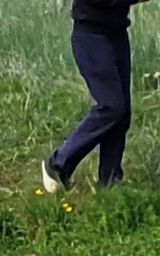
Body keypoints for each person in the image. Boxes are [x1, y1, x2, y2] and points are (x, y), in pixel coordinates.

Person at [44, 0, 144, 191]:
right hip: (91, 36)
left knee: (121, 113)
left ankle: (110, 183)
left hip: (116, 33)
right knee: (111, 107)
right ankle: (57, 164)